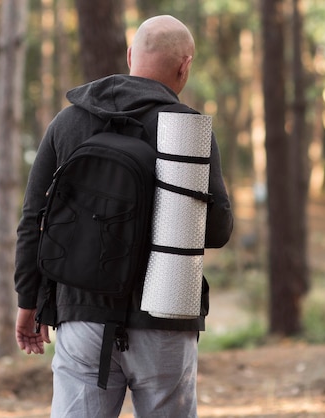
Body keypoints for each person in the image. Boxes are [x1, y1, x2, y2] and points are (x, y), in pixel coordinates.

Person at [14, 15, 233, 417]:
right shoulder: (186, 128)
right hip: (165, 318)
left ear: (131, 55)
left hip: (82, 315)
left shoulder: (69, 121)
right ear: (185, 65)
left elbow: (34, 218)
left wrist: (29, 301)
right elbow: (217, 230)